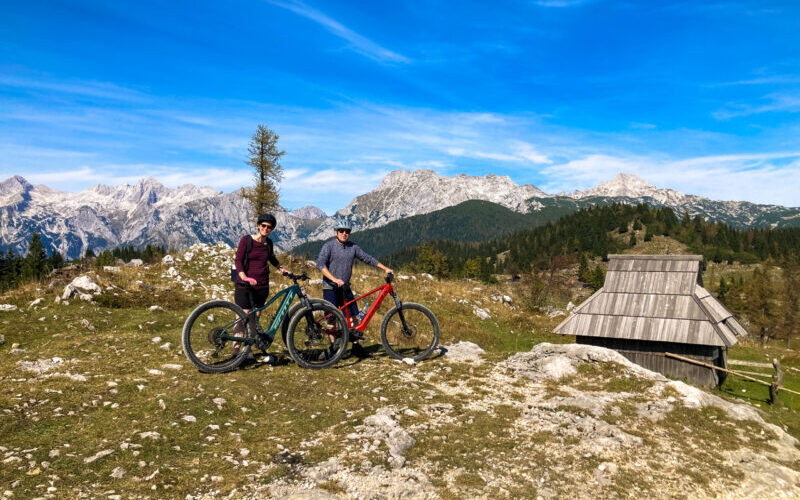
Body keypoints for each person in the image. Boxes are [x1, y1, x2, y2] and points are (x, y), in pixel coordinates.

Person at [316, 220, 393, 357]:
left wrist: (385, 268)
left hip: (345, 288)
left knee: (354, 318)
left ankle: (356, 347)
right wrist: (334, 279)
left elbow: (368, 258)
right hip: (330, 288)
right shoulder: (329, 246)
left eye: (347, 231)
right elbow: (320, 264)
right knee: (331, 320)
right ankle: (334, 350)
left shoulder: (353, 247)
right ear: (336, 232)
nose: (344, 233)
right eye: (341, 231)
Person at [233, 213, 289, 356]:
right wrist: (244, 276)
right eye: (263, 225)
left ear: (272, 229)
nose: (265, 228)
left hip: (262, 286)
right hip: (245, 286)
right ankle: (236, 352)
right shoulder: (247, 240)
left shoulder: (268, 243)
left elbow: (271, 257)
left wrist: (281, 268)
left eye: (269, 227)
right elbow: (238, 260)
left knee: (255, 319)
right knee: (241, 317)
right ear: (258, 226)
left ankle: (248, 350)